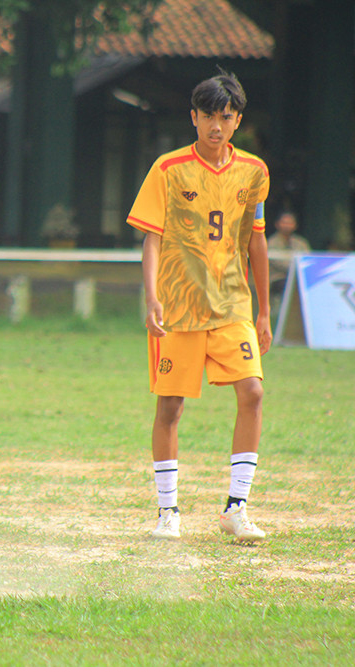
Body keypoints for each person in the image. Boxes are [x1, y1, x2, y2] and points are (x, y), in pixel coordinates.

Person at [126, 70, 271, 544]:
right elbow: (151, 239)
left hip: (232, 305)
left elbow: (256, 242)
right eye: (208, 115)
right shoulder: (168, 169)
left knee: (253, 392)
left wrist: (264, 311)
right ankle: (168, 512)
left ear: (237, 121)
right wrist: (152, 297)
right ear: (193, 117)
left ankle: (236, 507)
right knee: (171, 407)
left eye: (225, 117)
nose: (215, 125)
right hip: (178, 309)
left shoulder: (255, 172)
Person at [266, 210, 310, 299]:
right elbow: (278, 263)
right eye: (284, 222)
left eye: (290, 223)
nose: (287, 225)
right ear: (277, 224)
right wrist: (296, 269)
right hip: (278, 278)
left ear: (295, 225)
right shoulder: (272, 242)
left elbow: (308, 259)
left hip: (300, 278)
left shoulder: (301, 243)